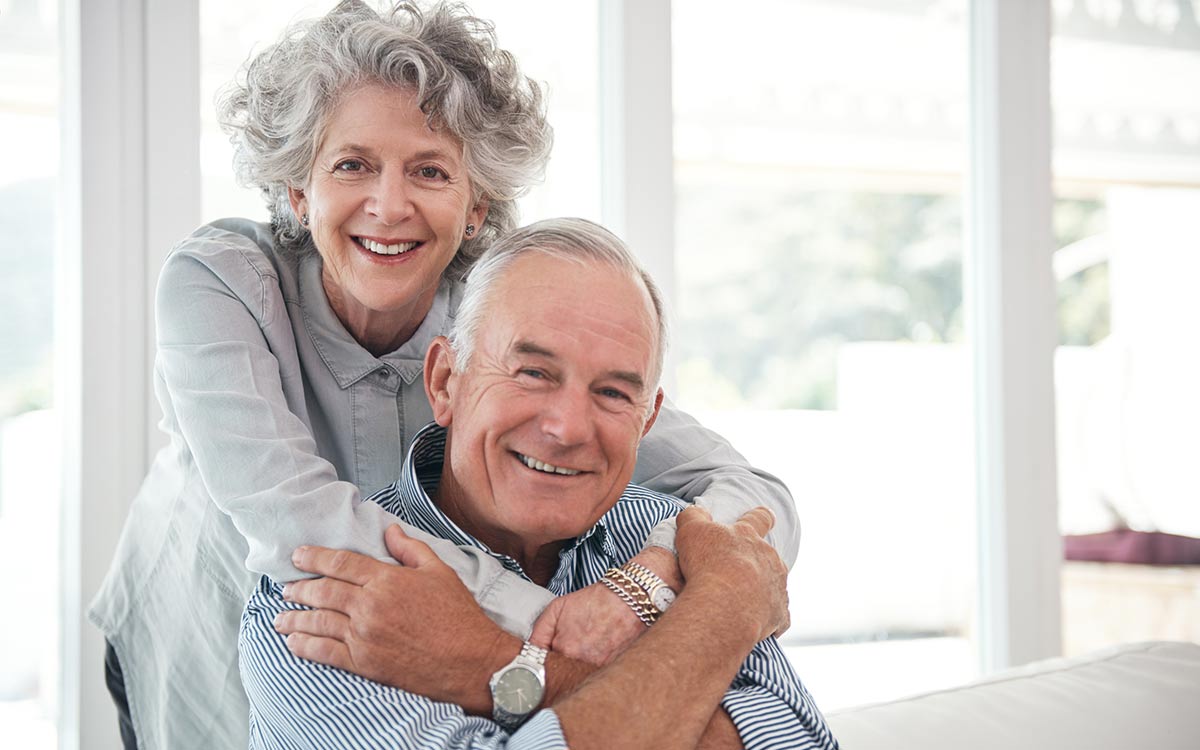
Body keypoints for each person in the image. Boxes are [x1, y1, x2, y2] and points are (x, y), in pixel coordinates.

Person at [90, 3, 800, 749]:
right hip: (202, 615)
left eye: (430, 171)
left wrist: (648, 579)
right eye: (352, 165)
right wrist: (539, 634)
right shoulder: (223, 282)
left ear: (474, 207)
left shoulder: (492, 319)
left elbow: (753, 494)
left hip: (405, 644)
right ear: (300, 193)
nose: (389, 206)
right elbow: (296, 527)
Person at [241, 218, 837, 749]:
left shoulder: (692, 548)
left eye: (611, 392)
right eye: (532, 373)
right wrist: (724, 612)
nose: (567, 427)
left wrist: (491, 666)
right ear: (446, 381)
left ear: (648, 420)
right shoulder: (325, 589)